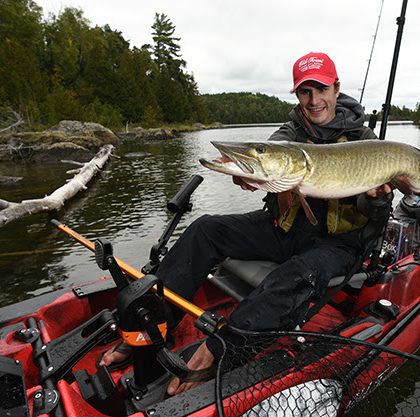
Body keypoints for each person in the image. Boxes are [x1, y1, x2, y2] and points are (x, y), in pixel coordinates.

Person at [99, 52, 394, 396]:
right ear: (296, 95)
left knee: (299, 272)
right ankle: (152, 330)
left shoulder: (366, 140)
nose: (314, 101)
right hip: (286, 229)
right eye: (304, 92)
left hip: (338, 243)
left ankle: (217, 351)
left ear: (336, 88)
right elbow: (268, 172)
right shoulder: (289, 133)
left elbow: (378, 217)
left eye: (321, 90)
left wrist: (377, 198)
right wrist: (253, 178)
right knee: (205, 229)